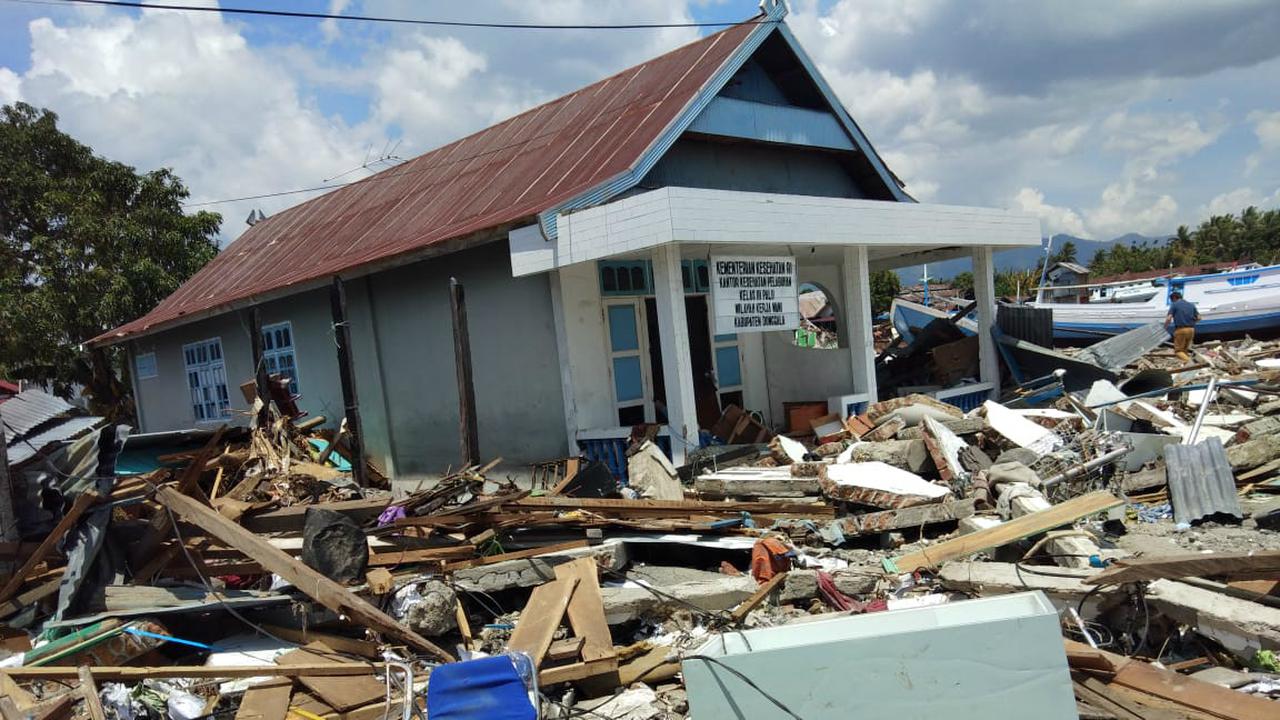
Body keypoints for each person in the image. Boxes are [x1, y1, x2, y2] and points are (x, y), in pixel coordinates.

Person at [1165, 290, 1200, 362]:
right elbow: (1199, 318)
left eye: (1172, 300)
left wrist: (1165, 327)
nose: (1172, 302)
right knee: (1184, 350)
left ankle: (1191, 363)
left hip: (1181, 330)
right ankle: (1188, 366)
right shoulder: (1191, 305)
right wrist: (1191, 322)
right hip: (1191, 329)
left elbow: (1169, 318)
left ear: (1174, 298)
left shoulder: (1175, 304)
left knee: (1178, 351)